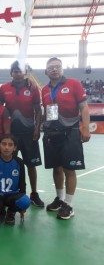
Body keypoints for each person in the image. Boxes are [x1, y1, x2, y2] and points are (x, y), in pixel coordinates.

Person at [42, 57, 90, 220]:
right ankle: (60, 199)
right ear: (46, 71)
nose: (54, 70)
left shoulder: (74, 84)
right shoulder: (44, 90)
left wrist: (85, 128)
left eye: (57, 67)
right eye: (51, 68)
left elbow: (84, 107)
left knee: (69, 169)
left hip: (70, 132)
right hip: (52, 133)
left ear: (62, 69)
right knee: (56, 168)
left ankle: (68, 204)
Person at [0, 60, 44, 208]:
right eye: (15, 71)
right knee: (9, 162)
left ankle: (34, 193)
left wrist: (37, 128)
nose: (17, 73)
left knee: (31, 165)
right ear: (11, 73)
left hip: (29, 133)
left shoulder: (32, 87)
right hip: (11, 135)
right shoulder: (4, 88)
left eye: (20, 71)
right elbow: (0, 110)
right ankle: (8, 192)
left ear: (24, 73)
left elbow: (38, 110)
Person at [0, 134, 31, 227]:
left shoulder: (19, 162)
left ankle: (11, 211)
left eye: (10, 145)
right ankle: (0, 209)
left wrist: (22, 207)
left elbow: (22, 184)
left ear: (15, 147)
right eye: (4, 144)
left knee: (25, 201)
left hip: (13, 195)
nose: (6, 147)